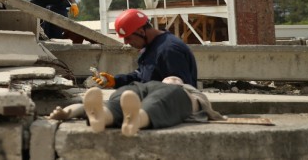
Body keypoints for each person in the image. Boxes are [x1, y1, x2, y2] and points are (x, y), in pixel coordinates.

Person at [48, 76, 225, 136]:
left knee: (161, 101)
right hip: (143, 89)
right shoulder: (148, 85)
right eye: (170, 78)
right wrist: (69, 112)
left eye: (175, 78)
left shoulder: (188, 91)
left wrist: (185, 92)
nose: (172, 78)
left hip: (176, 96)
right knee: (121, 96)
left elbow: (207, 109)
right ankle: (102, 115)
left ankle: (136, 119)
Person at [93, 8, 198, 88]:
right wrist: (116, 81)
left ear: (141, 32)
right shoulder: (152, 46)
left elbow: (182, 89)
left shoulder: (169, 50)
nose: (126, 42)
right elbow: (142, 75)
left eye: (128, 38)